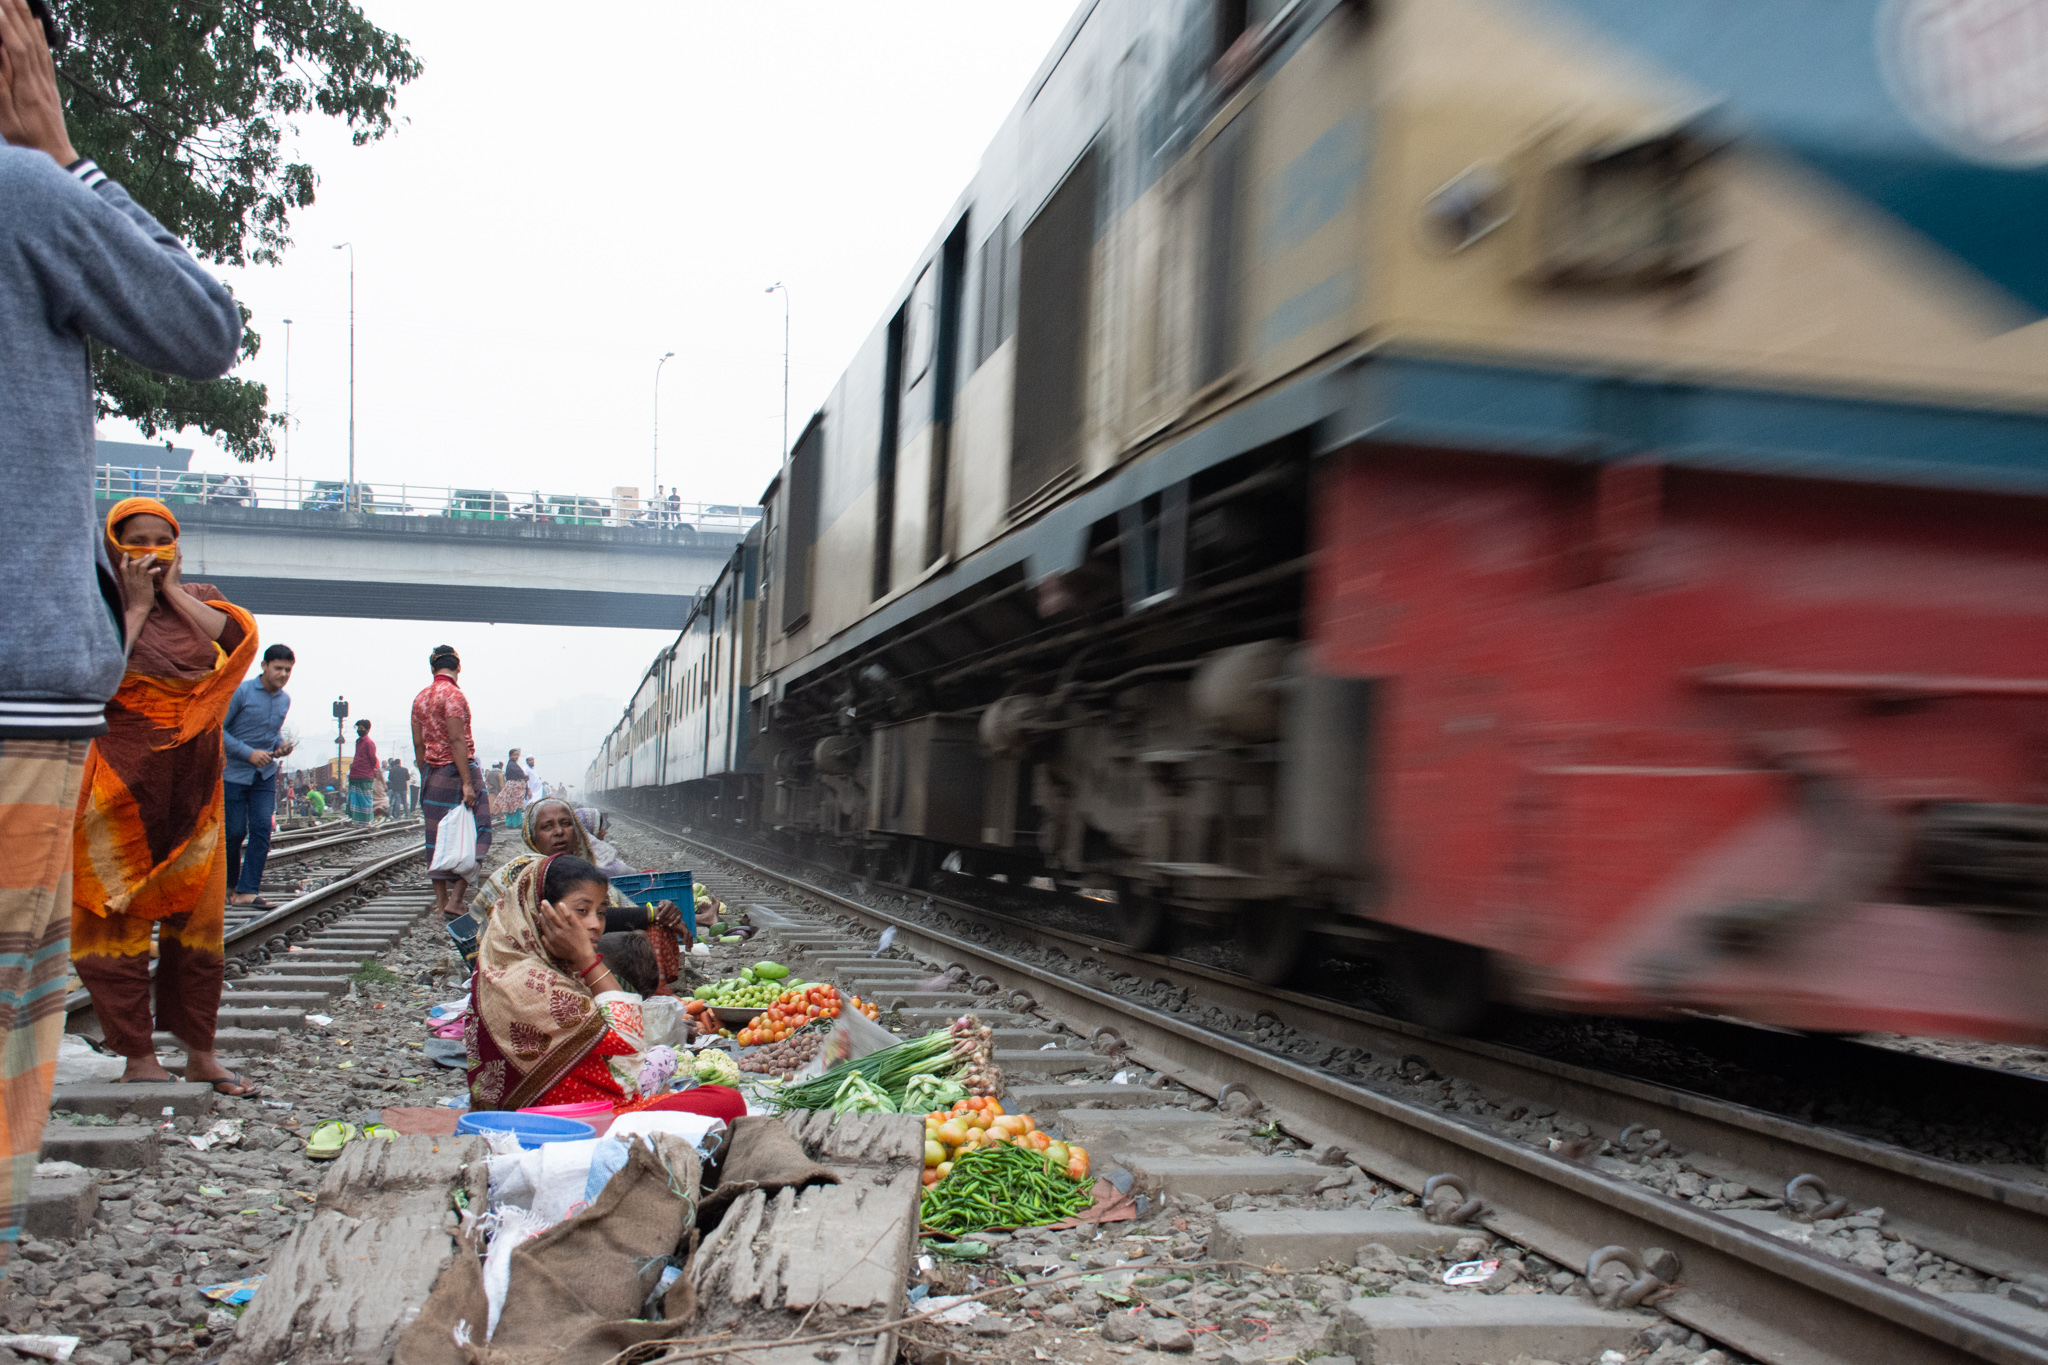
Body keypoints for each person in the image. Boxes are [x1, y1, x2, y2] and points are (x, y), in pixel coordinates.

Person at [0, 0, 243, 1272]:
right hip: (20, 719)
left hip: (157, 788)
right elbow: (203, 324)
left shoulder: (193, 615)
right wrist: (55, 151)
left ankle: (175, 1046)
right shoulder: (19, 196)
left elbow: (224, 645)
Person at [71, 499, 259, 1095]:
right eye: (135, 542)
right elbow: (92, 677)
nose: (149, 552)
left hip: (195, 783)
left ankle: (201, 1052)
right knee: (111, 919)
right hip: (119, 783)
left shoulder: (199, 594)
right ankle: (137, 1056)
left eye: (162, 540)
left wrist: (172, 595)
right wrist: (134, 609)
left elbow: (237, 640)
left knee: (199, 924)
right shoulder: (95, 602)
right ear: (111, 547)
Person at [467, 855, 738, 1116]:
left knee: (698, 1092)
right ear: (542, 912)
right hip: (569, 1119)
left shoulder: (527, 964)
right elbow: (629, 1040)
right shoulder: (529, 980)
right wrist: (587, 958)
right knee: (726, 1102)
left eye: (601, 912)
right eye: (581, 911)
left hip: (574, 1106)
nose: (595, 924)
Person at [412, 645, 492, 919]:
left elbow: (418, 745)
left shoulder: (420, 698)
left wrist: (427, 775)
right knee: (480, 831)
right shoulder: (454, 695)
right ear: (458, 667)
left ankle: (440, 902)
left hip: (432, 774)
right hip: (459, 771)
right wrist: (467, 782)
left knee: (436, 838)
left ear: (433, 669)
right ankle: (456, 899)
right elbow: (457, 739)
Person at [222, 644, 294, 909]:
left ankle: (247, 890)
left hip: (264, 774)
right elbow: (218, 729)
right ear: (264, 666)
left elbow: (272, 733)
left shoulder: (284, 700)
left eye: (288, 669)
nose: (283, 674)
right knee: (234, 832)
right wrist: (249, 753)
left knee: (263, 828)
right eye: (278, 668)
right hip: (234, 774)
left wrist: (281, 745)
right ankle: (229, 885)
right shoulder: (241, 692)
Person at [346, 719, 376, 824]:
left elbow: (373, 759)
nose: (359, 730)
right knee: (355, 798)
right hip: (355, 774)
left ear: (367, 730)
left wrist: (373, 770)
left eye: (362, 728)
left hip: (365, 774)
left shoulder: (369, 743)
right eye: (358, 728)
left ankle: (366, 821)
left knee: (365, 799)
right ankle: (357, 820)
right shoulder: (358, 742)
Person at [495, 748, 528, 829]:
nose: (516, 756)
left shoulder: (512, 764)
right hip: (514, 788)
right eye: (514, 755)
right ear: (510, 756)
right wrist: (525, 776)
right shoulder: (512, 765)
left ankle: (510, 823)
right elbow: (519, 774)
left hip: (513, 787)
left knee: (510, 805)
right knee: (515, 805)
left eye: (517, 755)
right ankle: (517, 823)